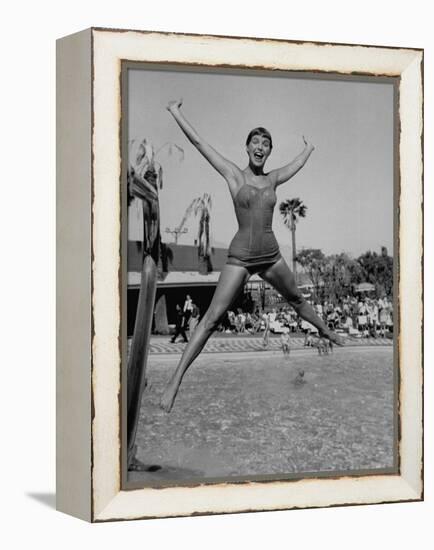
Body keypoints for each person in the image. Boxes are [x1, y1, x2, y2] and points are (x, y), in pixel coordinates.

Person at [160, 99, 343, 412]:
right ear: (247, 147)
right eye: (256, 142)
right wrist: (177, 112)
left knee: (297, 299)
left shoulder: (272, 179)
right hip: (242, 257)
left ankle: (325, 329)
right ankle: (175, 381)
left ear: (269, 151)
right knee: (212, 318)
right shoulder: (233, 175)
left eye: (267, 143)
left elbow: (295, 166)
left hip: (270, 255)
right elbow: (200, 143)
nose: (261, 147)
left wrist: (309, 148)